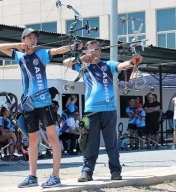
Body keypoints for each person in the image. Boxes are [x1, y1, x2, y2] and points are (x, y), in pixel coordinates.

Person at [0, 28, 77, 188]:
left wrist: (72, 46)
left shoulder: (40, 54)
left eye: (35, 38)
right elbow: (0, 46)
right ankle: (32, 176)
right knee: (33, 140)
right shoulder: (19, 56)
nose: (33, 40)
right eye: (30, 38)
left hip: (44, 104)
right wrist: (18, 46)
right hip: (29, 105)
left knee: (53, 139)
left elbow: (57, 50)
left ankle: (55, 176)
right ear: (24, 40)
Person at [63, 40, 143, 182]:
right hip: (90, 111)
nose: (93, 52)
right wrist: (81, 58)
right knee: (89, 142)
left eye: (96, 49)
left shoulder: (107, 65)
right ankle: (87, 171)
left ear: (100, 51)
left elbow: (122, 66)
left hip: (109, 110)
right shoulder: (83, 66)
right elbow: (65, 63)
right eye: (90, 50)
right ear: (86, 52)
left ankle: (115, 171)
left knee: (111, 142)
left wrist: (132, 61)